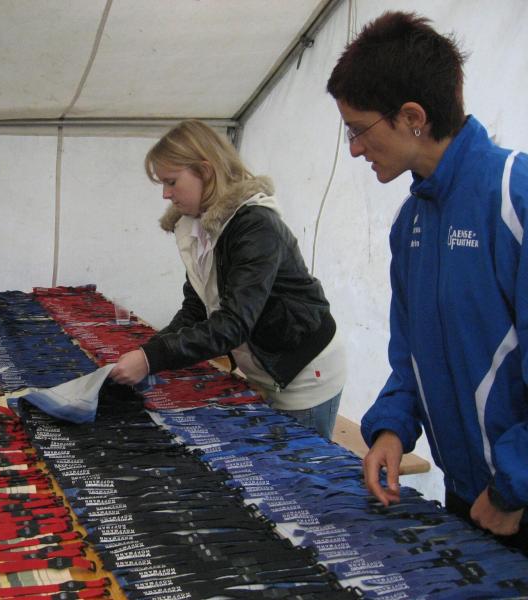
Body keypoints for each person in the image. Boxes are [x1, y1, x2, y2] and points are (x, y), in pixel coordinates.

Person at [327, 11, 528, 553]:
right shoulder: (411, 222)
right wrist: (393, 427)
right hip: (474, 497)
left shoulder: (514, 195)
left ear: (413, 117)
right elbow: (412, 353)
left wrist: (514, 485)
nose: (354, 148)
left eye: (358, 129)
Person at [109, 120, 346, 439]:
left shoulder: (255, 226)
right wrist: (148, 351)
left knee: (297, 465)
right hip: (264, 369)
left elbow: (234, 323)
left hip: (303, 375)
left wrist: (151, 358)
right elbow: (196, 310)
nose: (166, 194)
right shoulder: (197, 227)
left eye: (171, 182)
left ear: (205, 171)